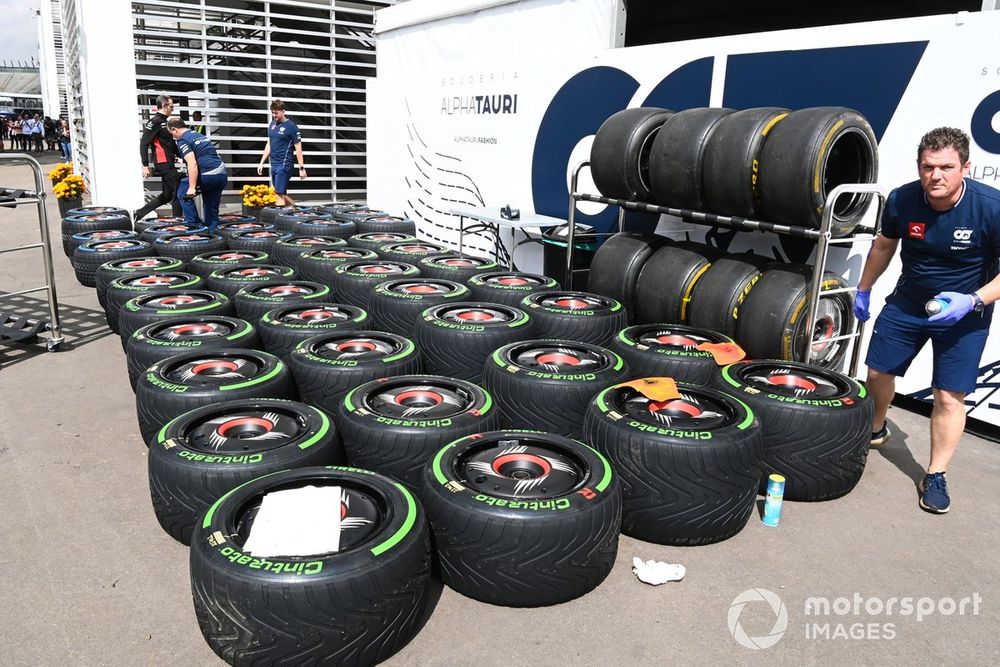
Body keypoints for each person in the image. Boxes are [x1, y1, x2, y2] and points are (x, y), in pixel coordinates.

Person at [855, 127, 1000, 515]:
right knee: (877, 373)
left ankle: (935, 474)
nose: (936, 176)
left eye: (946, 167)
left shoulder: (992, 207)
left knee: (949, 396)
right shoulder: (903, 199)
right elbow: (885, 244)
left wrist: (973, 300)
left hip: (965, 313)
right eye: (928, 167)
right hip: (909, 303)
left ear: (965, 168)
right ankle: (876, 428)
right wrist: (864, 289)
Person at [166, 116, 227, 233]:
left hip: (208, 175)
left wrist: (192, 187)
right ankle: (213, 235)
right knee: (211, 209)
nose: (172, 136)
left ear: (174, 130)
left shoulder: (182, 140)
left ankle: (196, 227)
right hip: (221, 174)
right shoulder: (198, 135)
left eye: (171, 133)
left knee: (183, 193)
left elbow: (192, 163)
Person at [135, 95, 182, 220]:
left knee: (167, 195)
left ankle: (138, 214)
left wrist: (185, 157)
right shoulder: (154, 122)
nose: (173, 109)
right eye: (171, 106)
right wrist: (145, 166)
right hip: (163, 162)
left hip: (169, 162)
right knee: (178, 192)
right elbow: (144, 144)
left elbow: (170, 145)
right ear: (164, 106)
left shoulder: (165, 122)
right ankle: (179, 223)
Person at [256, 99, 307, 206]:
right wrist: (262, 162)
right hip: (274, 164)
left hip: (284, 164)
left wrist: (301, 168)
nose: (274, 115)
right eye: (272, 113)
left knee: (279, 195)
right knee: (279, 192)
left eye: (276, 113)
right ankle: (298, 210)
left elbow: (298, 149)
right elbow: (269, 143)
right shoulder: (272, 125)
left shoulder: (292, 127)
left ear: (283, 111)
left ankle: (279, 221)